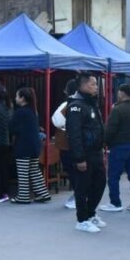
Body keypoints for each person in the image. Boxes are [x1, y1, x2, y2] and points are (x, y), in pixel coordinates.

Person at [67, 74, 106, 231]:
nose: (96, 87)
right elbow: (74, 134)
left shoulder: (91, 103)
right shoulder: (76, 106)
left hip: (96, 152)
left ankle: (90, 214)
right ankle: (82, 220)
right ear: (83, 86)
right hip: (84, 154)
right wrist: (79, 158)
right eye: (93, 84)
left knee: (100, 183)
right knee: (82, 188)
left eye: (96, 84)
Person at [101, 83, 130, 213]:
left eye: (119, 92)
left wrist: (104, 142)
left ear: (123, 93)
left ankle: (115, 202)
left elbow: (110, 129)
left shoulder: (117, 109)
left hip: (119, 146)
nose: (117, 94)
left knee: (113, 175)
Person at [10, 87, 51, 204]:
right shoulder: (33, 111)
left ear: (22, 98)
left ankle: (23, 196)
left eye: (17, 96)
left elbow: (12, 128)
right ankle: (43, 193)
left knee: (23, 172)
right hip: (34, 146)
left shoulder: (20, 112)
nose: (15, 98)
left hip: (23, 146)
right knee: (34, 170)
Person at [52, 80, 79, 209]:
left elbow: (56, 120)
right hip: (77, 142)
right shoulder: (84, 102)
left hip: (68, 143)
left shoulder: (67, 103)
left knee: (73, 170)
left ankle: (77, 195)